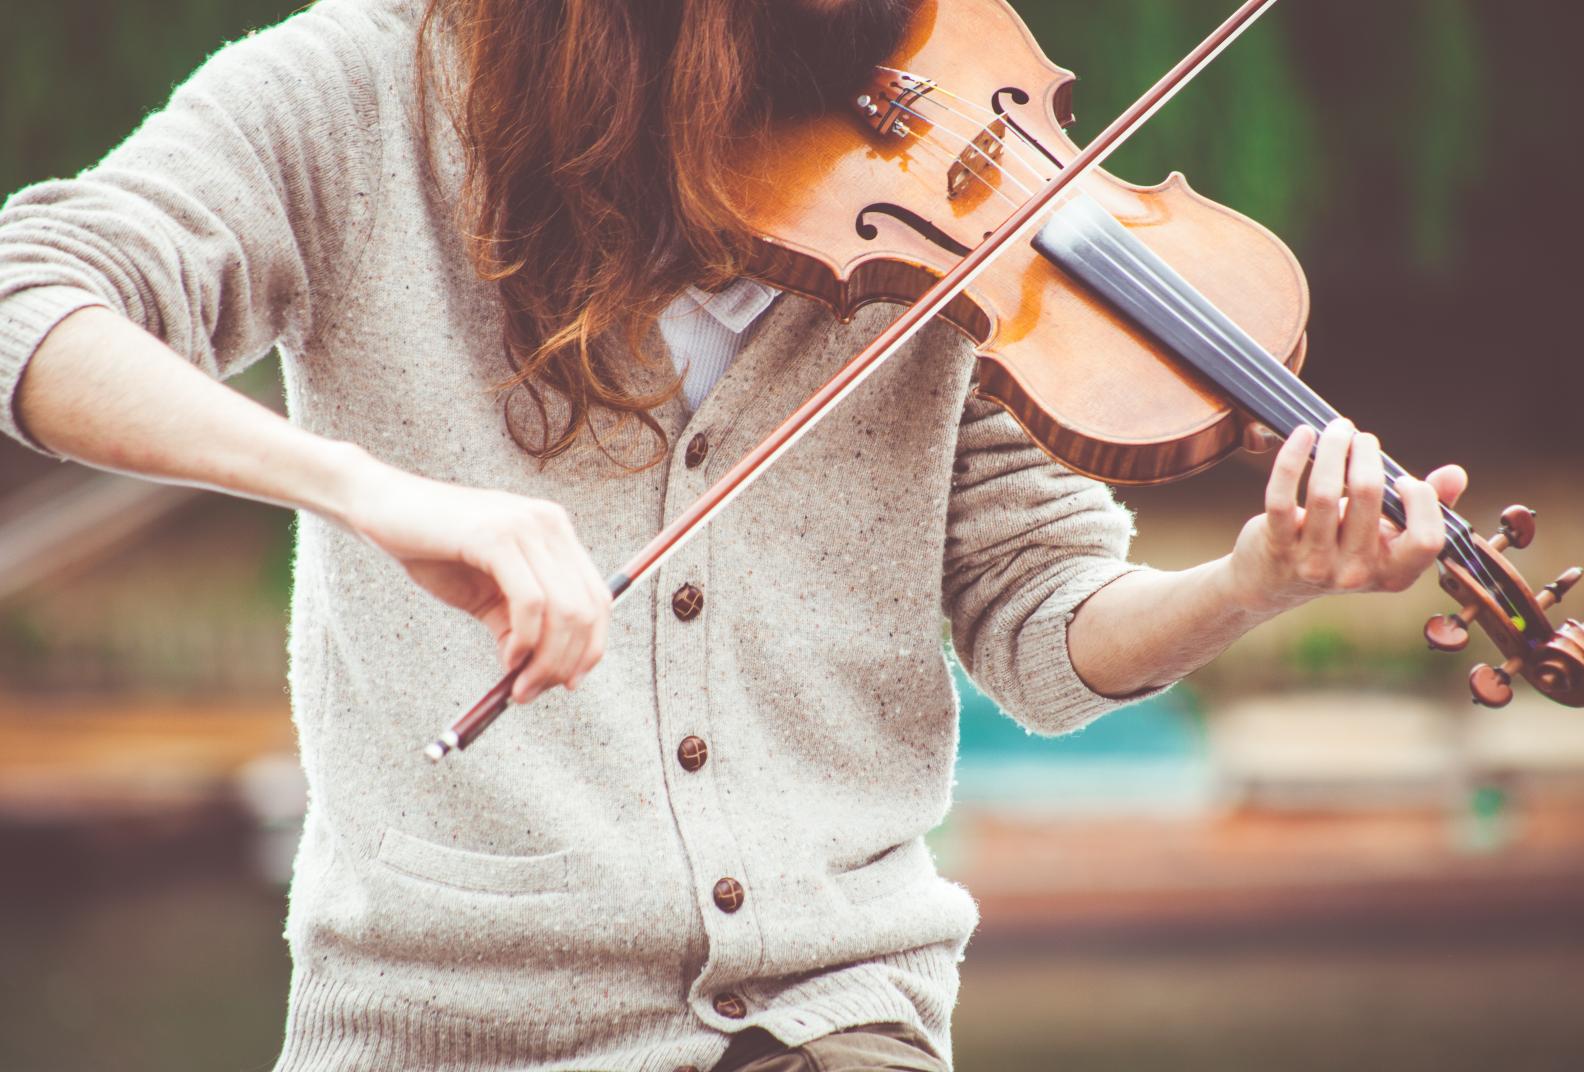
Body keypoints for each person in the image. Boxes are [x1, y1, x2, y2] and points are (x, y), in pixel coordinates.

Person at [0, 0, 1467, 1069]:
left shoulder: (949, 196)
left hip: (848, 1022)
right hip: (456, 1033)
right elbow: (32, 300)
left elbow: (1040, 621)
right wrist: (366, 489)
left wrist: (1252, 579)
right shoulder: (352, 97)